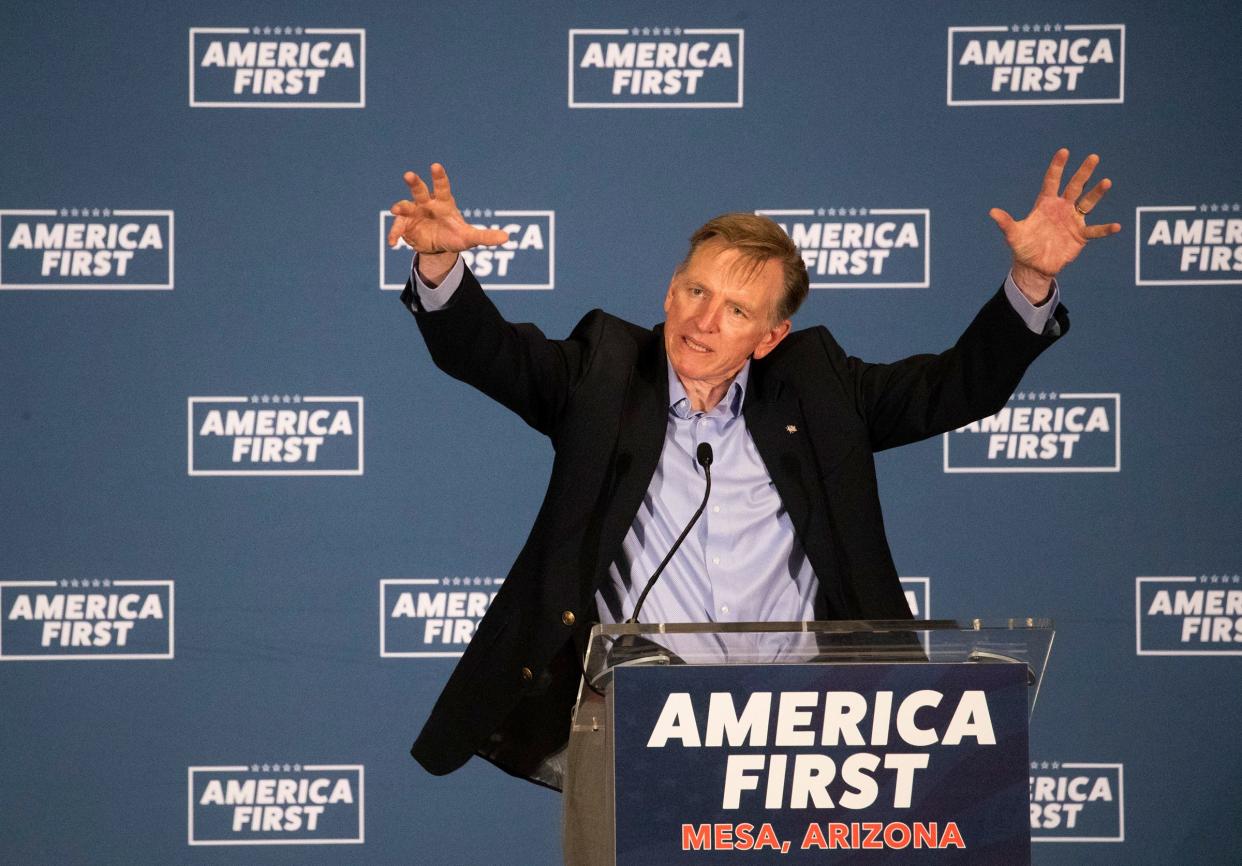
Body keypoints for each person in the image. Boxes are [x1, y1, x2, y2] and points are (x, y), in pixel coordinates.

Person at [387, 152, 1120, 792]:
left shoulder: (822, 388)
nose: (705, 321)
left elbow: (957, 387)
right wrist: (440, 265)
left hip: (804, 732)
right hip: (635, 722)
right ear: (669, 292)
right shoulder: (602, 372)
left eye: (736, 309)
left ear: (771, 337)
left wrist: (1029, 278)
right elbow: (486, 353)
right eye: (697, 293)